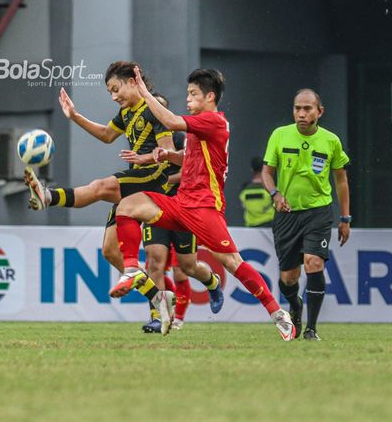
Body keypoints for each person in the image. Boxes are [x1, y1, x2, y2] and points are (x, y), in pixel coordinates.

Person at [24, 62, 221, 335]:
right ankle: (158, 299)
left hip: (154, 181)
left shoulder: (153, 111)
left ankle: (47, 196)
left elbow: (167, 152)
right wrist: (75, 116)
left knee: (102, 187)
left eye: (116, 89)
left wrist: (150, 158)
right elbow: (107, 135)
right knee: (109, 251)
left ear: (132, 82)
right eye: (110, 92)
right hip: (135, 180)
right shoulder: (126, 112)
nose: (114, 96)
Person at [111, 66, 296, 340]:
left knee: (233, 262)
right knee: (127, 206)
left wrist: (143, 92)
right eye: (187, 93)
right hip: (182, 203)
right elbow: (188, 159)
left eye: (193, 94)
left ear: (210, 97)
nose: (188, 98)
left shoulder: (215, 122)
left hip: (205, 207)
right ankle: (130, 269)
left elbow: (172, 122)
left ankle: (277, 313)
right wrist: (162, 156)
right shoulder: (199, 129)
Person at [261, 88, 351, 341]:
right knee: (288, 278)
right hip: (286, 214)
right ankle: (295, 304)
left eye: (307, 108)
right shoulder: (279, 135)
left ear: (319, 112)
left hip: (319, 212)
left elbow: (341, 181)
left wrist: (345, 218)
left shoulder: (330, 141)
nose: (301, 113)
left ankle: (311, 328)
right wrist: (275, 194)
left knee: (314, 263)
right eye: (297, 108)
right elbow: (267, 172)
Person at [128, 94, 219, 334]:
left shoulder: (180, 137)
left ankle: (211, 282)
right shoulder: (140, 142)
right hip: (155, 208)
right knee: (154, 263)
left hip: (182, 208)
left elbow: (193, 169)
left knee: (186, 268)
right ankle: (159, 317)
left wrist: (165, 177)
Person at [238, 156, 274, 227]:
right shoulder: (271, 187)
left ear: (252, 169)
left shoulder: (244, 190)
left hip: (251, 227)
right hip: (269, 226)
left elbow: (243, 206)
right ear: (264, 168)